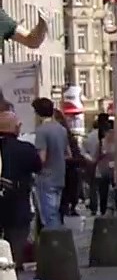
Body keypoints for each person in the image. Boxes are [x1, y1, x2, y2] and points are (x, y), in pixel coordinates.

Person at [0, 112, 40, 271]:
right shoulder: (25, 149)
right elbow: (38, 167)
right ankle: (11, 278)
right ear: (16, 128)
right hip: (17, 204)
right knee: (16, 243)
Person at [31, 97, 68, 231]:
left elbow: (42, 158)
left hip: (46, 177)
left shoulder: (42, 131)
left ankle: (55, 246)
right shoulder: (61, 129)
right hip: (60, 176)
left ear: (37, 113)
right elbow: (67, 153)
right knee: (55, 211)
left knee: (49, 216)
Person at [84, 113, 116, 215]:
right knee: (111, 192)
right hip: (112, 171)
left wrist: (85, 155)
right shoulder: (116, 142)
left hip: (104, 171)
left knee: (104, 193)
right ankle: (110, 210)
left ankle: (103, 211)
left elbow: (94, 158)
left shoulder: (102, 142)